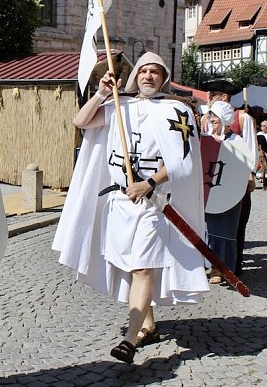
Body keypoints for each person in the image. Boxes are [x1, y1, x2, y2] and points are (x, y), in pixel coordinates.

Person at [53, 52, 209, 365]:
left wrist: (149, 183)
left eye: (155, 72)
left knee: (142, 266)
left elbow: (183, 162)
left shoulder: (177, 110)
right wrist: (100, 92)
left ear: (163, 77)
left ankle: (129, 339)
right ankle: (148, 325)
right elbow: (80, 121)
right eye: (144, 71)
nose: (148, 76)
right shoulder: (118, 106)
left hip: (153, 202)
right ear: (136, 75)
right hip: (120, 202)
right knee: (131, 264)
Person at [201, 78, 258, 276]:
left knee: (235, 226)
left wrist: (250, 175)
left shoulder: (243, 119)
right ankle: (210, 264)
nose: (208, 99)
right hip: (212, 184)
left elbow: (249, 150)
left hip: (235, 180)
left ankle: (232, 266)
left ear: (223, 97)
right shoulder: (206, 125)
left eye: (212, 95)